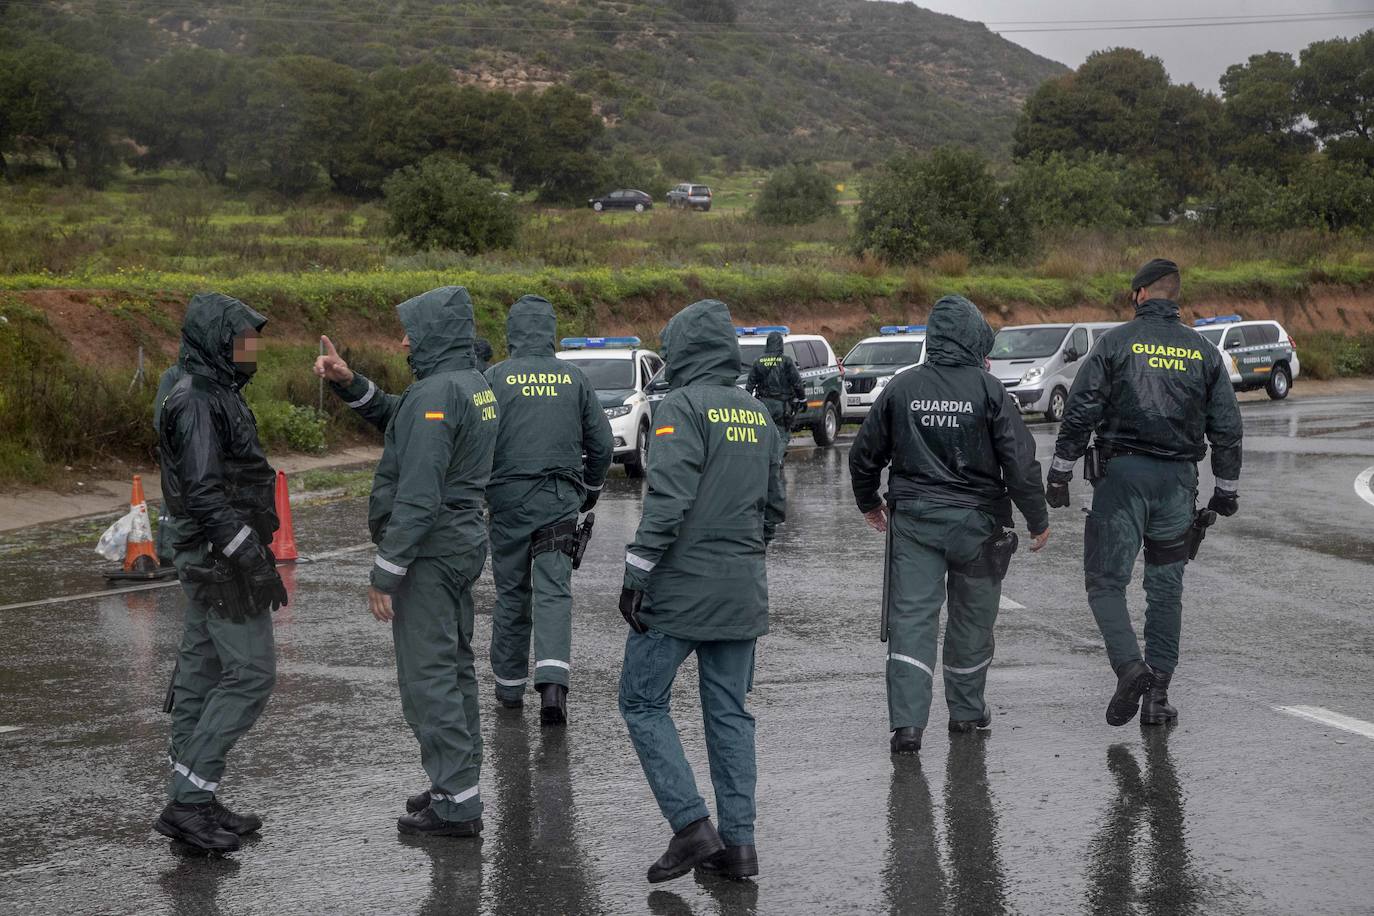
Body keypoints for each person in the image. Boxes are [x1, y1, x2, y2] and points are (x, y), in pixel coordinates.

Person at [314, 286, 499, 837]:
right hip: (461, 541)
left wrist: (386, 571)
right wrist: (352, 384)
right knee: (454, 668)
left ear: (433, 335)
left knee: (428, 679)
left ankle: (457, 805)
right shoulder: (470, 382)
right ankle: (455, 784)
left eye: (410, 333)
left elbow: (419, 492)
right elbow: (404, 419)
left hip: (432, 549)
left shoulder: (437, 391)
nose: (402, 341)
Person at [618, 298, 785, 884]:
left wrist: (636, 573)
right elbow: (773, 510)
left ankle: (691, 828)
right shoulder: (758, 414)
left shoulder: (679, 407)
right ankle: (738, 849)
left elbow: (667, 501)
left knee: (640, 700)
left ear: (684, 349)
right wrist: (740, 556)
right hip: (742, 592)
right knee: (730, 715)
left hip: (680, 593)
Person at [849, 295, 1050, 755]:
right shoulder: (988, 390)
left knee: (912, 620)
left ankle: (908, 727)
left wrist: (869, 503)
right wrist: (1037, 518)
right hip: (978, 528)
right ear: (974, 337)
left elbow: (864, 455)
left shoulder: (901, 388)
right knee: (972, 621)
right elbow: (1019, 460)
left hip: (915, 522)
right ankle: (966, 712)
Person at [1046, 259, 1242, 727]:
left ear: (1139, 295)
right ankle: (1157, 697)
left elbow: (1081, 409)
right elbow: (1228, 427)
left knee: (1105, 581)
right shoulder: (1203, 351)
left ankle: (1130, 666)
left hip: (1121, 478)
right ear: (1175, 298)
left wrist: (1060, 471)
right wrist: (1226, 489)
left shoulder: (1114, 343)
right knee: (1165, 589)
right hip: (1178, 482)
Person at [153, 292, 287, 853]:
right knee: (251, 675)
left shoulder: (213, 387)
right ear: (215, 340)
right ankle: (187, 801)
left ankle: (196, 799)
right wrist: (251, 559)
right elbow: (206, 494)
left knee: (200, 678)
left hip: (215, 551)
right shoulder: (197, 399)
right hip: (220, 557)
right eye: (241, 339)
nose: (250, 349)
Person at [484, 294, 613, 723]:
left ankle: (508, 689)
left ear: (513, 332)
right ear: (550, 331)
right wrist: (590, 490)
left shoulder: (493, 378)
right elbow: (602, 443)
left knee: (512, 595)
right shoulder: (574, 378)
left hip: (506, 507)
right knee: (554, 593)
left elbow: (475, 441)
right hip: (558, 504)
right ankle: (553, 689)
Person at [745, 331, 805, 463]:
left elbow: (749, 386)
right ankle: (776, 461)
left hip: (763, 404)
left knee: (764, 433)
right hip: (781, 405)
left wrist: (747, 404)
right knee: (783, 434)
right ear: (780, 344)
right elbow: (797, 383)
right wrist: (803, 399)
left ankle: (764, 460)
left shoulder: (758, 361)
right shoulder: (786, 361)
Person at [152, 359, 185, 567]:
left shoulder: (210, 375)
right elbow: (160, 418)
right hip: (178, 450)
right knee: (174, 499)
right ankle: (167, 550)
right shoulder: (173, 376)